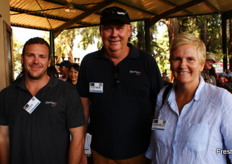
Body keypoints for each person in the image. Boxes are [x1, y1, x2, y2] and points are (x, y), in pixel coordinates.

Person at [77, 6, 163, 164]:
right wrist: (81, 147)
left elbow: (161, 108)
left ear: (129, 30)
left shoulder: (146, 62)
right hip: (100, 153)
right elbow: (83, 109)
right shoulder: (89, 62)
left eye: (119, 28)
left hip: (140, 153)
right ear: (101, 31)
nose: (114, 34)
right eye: (109, 28)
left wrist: (159, 146)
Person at [146, 33, 232, 164]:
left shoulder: (221, 99)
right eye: (177, 59)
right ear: (171, 63)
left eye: (190, 59)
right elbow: (155, 144)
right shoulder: (163, 96)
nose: (182, 65)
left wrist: (216, 151)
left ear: (201, 64)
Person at [0, 37, 85, 164]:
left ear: (49, 61)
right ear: (22, 58)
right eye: (30, 55)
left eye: (42, 56)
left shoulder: (67, 92)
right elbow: (3, 137)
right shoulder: (6, 95)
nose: (36, 61)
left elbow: (78, 137)